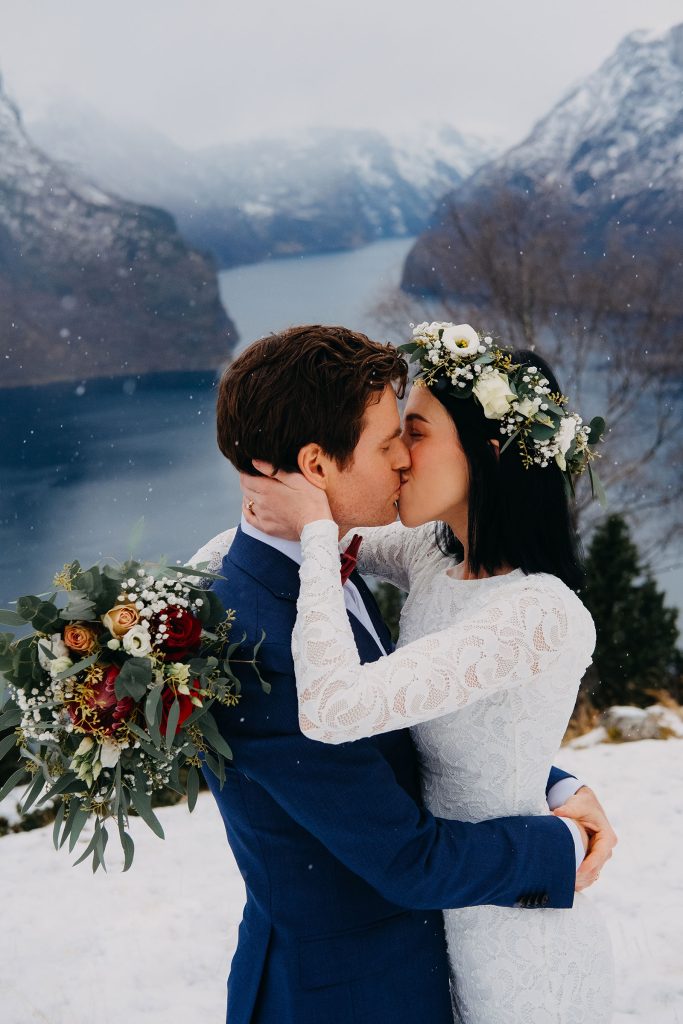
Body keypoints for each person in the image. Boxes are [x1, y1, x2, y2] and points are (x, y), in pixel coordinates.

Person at [190, 324, 616, 1024]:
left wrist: (546, 775)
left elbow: (421, 726)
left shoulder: (362, 563)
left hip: (475, 957)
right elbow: (407, 857)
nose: (400, 462)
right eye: (392, 440)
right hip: (345, 992)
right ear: (317, 466)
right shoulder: (264, 636)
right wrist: (563, 843)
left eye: (410, 435)